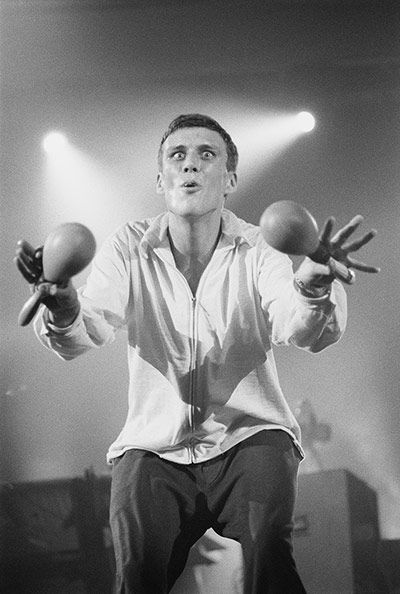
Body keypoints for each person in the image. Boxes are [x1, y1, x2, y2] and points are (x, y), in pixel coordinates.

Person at [15, 114, 379, 593]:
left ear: (229, 179)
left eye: (207, 155)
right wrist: (63, 304)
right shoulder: (128, 247)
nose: (191, 166)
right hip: (153, 447)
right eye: (177, 156)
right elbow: (86, 331)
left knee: (271, 549)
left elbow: (304, 330)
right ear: (160, 178)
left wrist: (313, 284)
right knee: (135, 573)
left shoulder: (257, 249)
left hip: (249, 436)